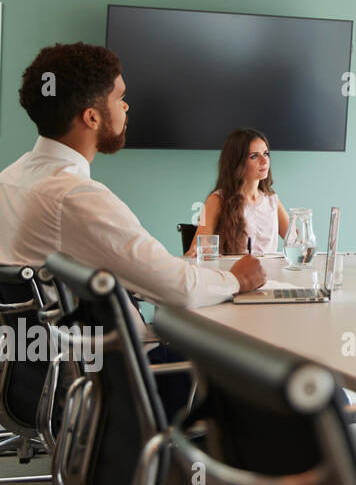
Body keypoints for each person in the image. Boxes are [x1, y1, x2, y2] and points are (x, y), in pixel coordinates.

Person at [0, 43, 267, 309]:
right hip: (124, 349)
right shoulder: (77, 197)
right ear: (92, 118)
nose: (126, 107)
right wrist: (237, 279)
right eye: (119, 98)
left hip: (37, 348)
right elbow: (180, 289)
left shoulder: (8, 180)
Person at [188, 128, 290, 256]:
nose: (264, 161)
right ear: (237, 163)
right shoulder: (216, 200)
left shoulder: (272, 200)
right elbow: (195, 249)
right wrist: (204, 251)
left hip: (267, 274)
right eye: (254, 156)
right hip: (232, 273)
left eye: (266, 154)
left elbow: (296, 241)